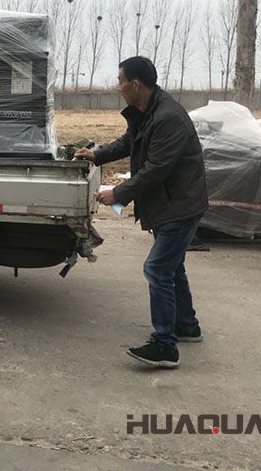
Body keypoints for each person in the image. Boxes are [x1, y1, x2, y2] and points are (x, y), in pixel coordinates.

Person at [75, 56, 208, 369]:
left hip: (179, 206)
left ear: (135, 84)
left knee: (157, 269)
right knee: (172, 267)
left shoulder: (167, 118)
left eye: (120, 81)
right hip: (170, 203)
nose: (118, 87)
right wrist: (96, 155)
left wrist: (118, 194)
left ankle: (165, 346)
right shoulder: (148, 111)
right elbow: (130, 142)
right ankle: (186, 325)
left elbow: (156, 170)